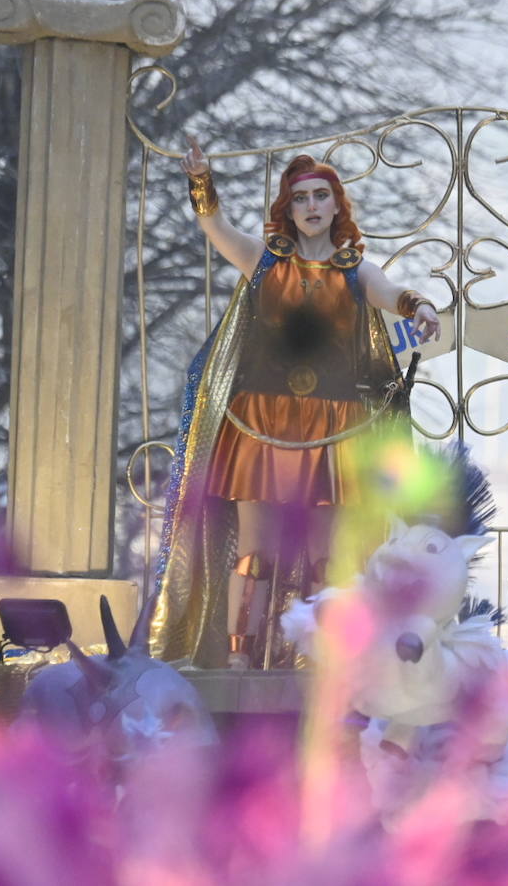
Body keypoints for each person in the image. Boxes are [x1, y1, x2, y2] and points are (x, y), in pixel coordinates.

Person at [150, 138, 440, 669]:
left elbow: (390, 291)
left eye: (320, 196)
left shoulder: (354, 270)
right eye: (301, 198)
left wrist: (419, 305)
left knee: (325, 554)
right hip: (262, 420)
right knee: (255, 550)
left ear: (336, 205)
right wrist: (201, 181)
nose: (311, 206)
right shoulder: (265, 262)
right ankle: (239, 659)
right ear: (289, 207)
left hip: (335, 424)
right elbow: (215, 226)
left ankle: (319, 660)